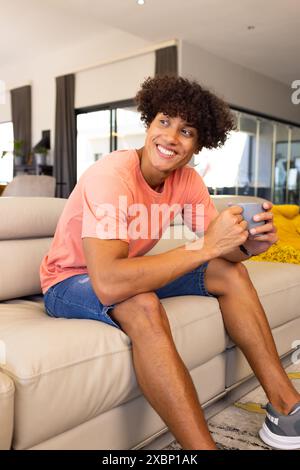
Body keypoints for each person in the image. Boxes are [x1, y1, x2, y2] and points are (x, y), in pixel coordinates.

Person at [40, 76, 300, 450]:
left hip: (127, 271)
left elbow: (221, 250)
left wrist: (248, 245)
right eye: (164, 122)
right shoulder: (111, 175)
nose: (171, 137)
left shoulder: (188, 181)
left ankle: (285, 405)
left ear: (199, 143)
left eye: (187, 130)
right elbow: (110, 283)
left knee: (230, 271)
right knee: (141, 303)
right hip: (69, 282)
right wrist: (208, 245)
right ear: (149, 122)